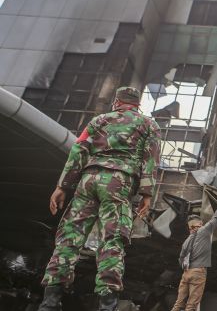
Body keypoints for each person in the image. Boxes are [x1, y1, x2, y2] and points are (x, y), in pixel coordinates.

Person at [38, 87, 161, 311]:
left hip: (88, 180)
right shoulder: (148, 125)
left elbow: (78, 149)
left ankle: (49, 303)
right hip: (118, 183)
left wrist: (62, 186)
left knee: (69, 238)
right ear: (137, 104)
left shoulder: (98, 121)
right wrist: (147, 194)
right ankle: (107, 305)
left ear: (116, 102)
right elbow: (150, 159)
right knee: (112, 241)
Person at [171, 198, 217, 311]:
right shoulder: (204, 231)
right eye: (201, 224)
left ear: (189, 227)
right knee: (191, 305)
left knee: (178, 304)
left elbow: (181, 259)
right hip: (198, 272)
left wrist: (187, 269)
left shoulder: (186, 241)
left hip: (186, 273)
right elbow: (215, 219)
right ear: (199, 224)